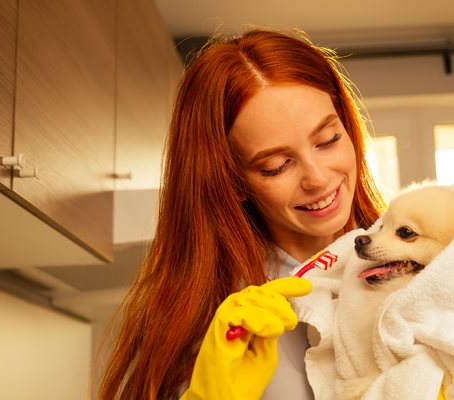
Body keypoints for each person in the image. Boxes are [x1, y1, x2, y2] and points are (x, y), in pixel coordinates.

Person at [96, 28, 385, 400]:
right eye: (277, 166)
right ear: (229, 181)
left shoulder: (424, 263)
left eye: (328, 140)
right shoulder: (203, 323)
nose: (317, 178)